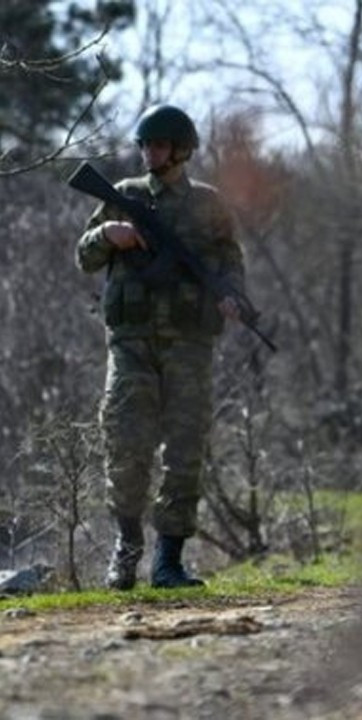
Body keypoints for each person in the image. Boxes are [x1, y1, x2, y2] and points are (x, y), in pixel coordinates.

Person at [76, 104, 246, 589]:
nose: (150, 153)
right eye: (145, 145)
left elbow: (231, 262)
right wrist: (108, 234)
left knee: (185, 450)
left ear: (182, 149)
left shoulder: (210, 205)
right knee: (126, 445)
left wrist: (233, 296)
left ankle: (169, 561)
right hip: (131, 344)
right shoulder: (123, 196)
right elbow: (84, 257)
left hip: (190, 345)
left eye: (159, 145)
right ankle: (126, 550)